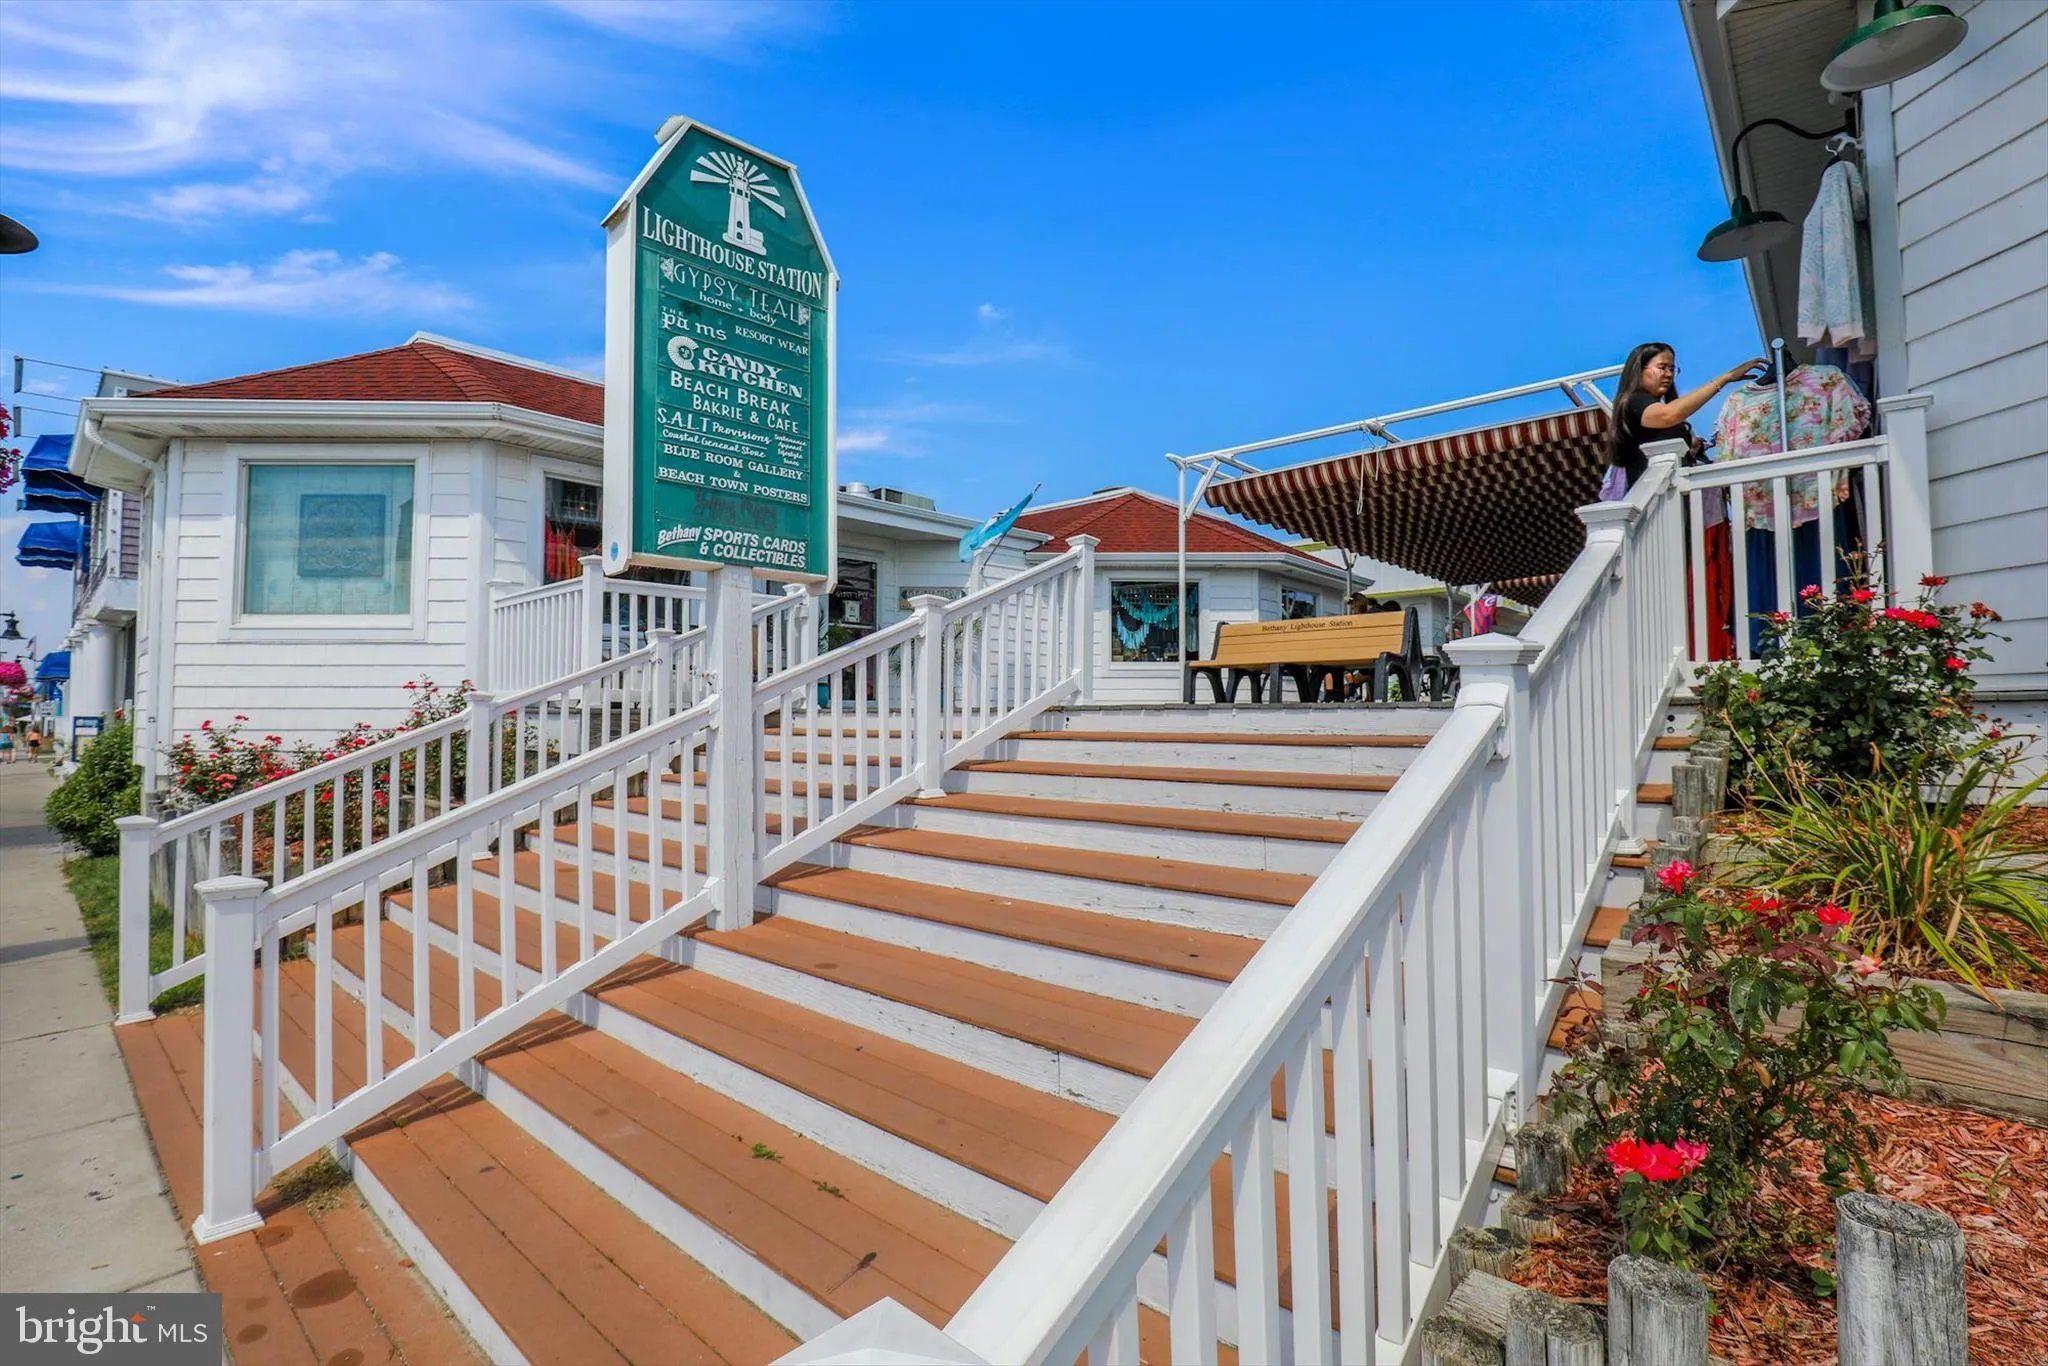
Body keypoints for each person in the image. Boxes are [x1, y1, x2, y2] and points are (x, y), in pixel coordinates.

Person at [1606, 342, 1765, 491]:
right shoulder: (1634, 401)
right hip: (1657, 502)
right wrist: (1725, 378)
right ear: (1639, 369)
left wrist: (1691, 445)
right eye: (1662, 367)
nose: (1668, 374)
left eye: (1672, 369)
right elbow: (1667, 415)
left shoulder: (1649, 404)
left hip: (1672, 496)